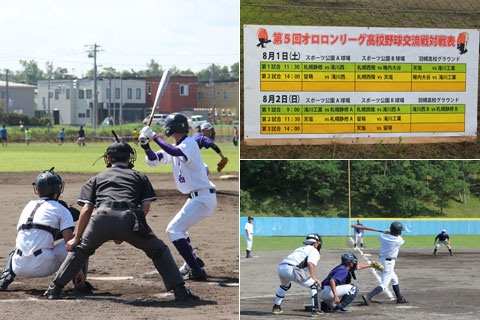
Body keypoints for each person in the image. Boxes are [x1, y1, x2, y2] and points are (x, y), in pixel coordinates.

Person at [42, 138, 198, 301]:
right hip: (129, 216)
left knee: (81, 250)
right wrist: (133, 228)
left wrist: (76, 238)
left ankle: (55, 289)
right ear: (129, 159)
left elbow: (87, 209)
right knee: (159, 251)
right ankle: (179, 290)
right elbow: (146, 206)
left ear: (108, 159)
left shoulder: (96, 178)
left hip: (100, 218)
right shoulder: (139, 176)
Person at [139, 113, 216, 281]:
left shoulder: (190, 144)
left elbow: (173, 151)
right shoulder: (176, 145)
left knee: (173, 230)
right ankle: (192, 262)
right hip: (196, 197)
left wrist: (154, 136)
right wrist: (146, 145)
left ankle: (196, 270)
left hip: (202, 197)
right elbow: (155, 159)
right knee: (179, 229)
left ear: (174, 127)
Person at [0, 168, 90, 292]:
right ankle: (79, 284)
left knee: (22, 244)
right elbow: (70, 244)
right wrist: (77, 270)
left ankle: (5, 278)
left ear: (37, 189)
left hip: (18, 265)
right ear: (58, 189)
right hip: (43, 266)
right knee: (78, 242)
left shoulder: (28, 206)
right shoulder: (61, 209)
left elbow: (35, 235)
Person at [272, 233, 324, 317]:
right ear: (315, 243)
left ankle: (276, 307)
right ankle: (316, 310)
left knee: (285, 286)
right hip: (292, 269)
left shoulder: (300, 248)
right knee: (315, 285)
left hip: (281, 268)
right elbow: (310, 263)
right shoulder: (313, 250)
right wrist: (314, 278)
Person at [362, 221, 407, 305]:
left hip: (381, 261)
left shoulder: (382, 236)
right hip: (389, 264)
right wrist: (390, 232)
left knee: (394, 279)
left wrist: (387, 232)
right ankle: (368, 296)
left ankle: (399, 298)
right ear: (398, 232)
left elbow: (384, 235)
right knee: (384, 284)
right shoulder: (399, 240)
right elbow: (396, 236)